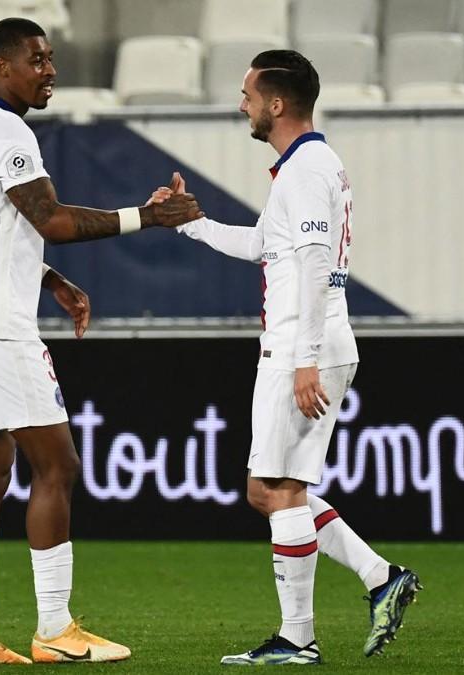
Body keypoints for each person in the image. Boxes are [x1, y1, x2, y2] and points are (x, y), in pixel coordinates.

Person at [0, 18, 204, 666]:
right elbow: (47, 216)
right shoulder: (6, 130)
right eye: (37, 60)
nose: (50, 69)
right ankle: (54, 626)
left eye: (51, 59)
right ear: (2, 68)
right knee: (58, 465)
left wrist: (46, 277)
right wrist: (149, 215)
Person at [156, 50, 422, 666]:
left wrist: (303, 361)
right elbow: (265, 247)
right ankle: (381, 577)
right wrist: (191, 223)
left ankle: (299, 637)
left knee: (276, 490)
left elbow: (310, 267)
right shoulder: (307, 165)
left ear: (276, 104)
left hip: (303, 346)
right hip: (311, 343)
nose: (242, 103)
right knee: (272, 490)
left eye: (249, 93)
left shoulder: (305, 170)